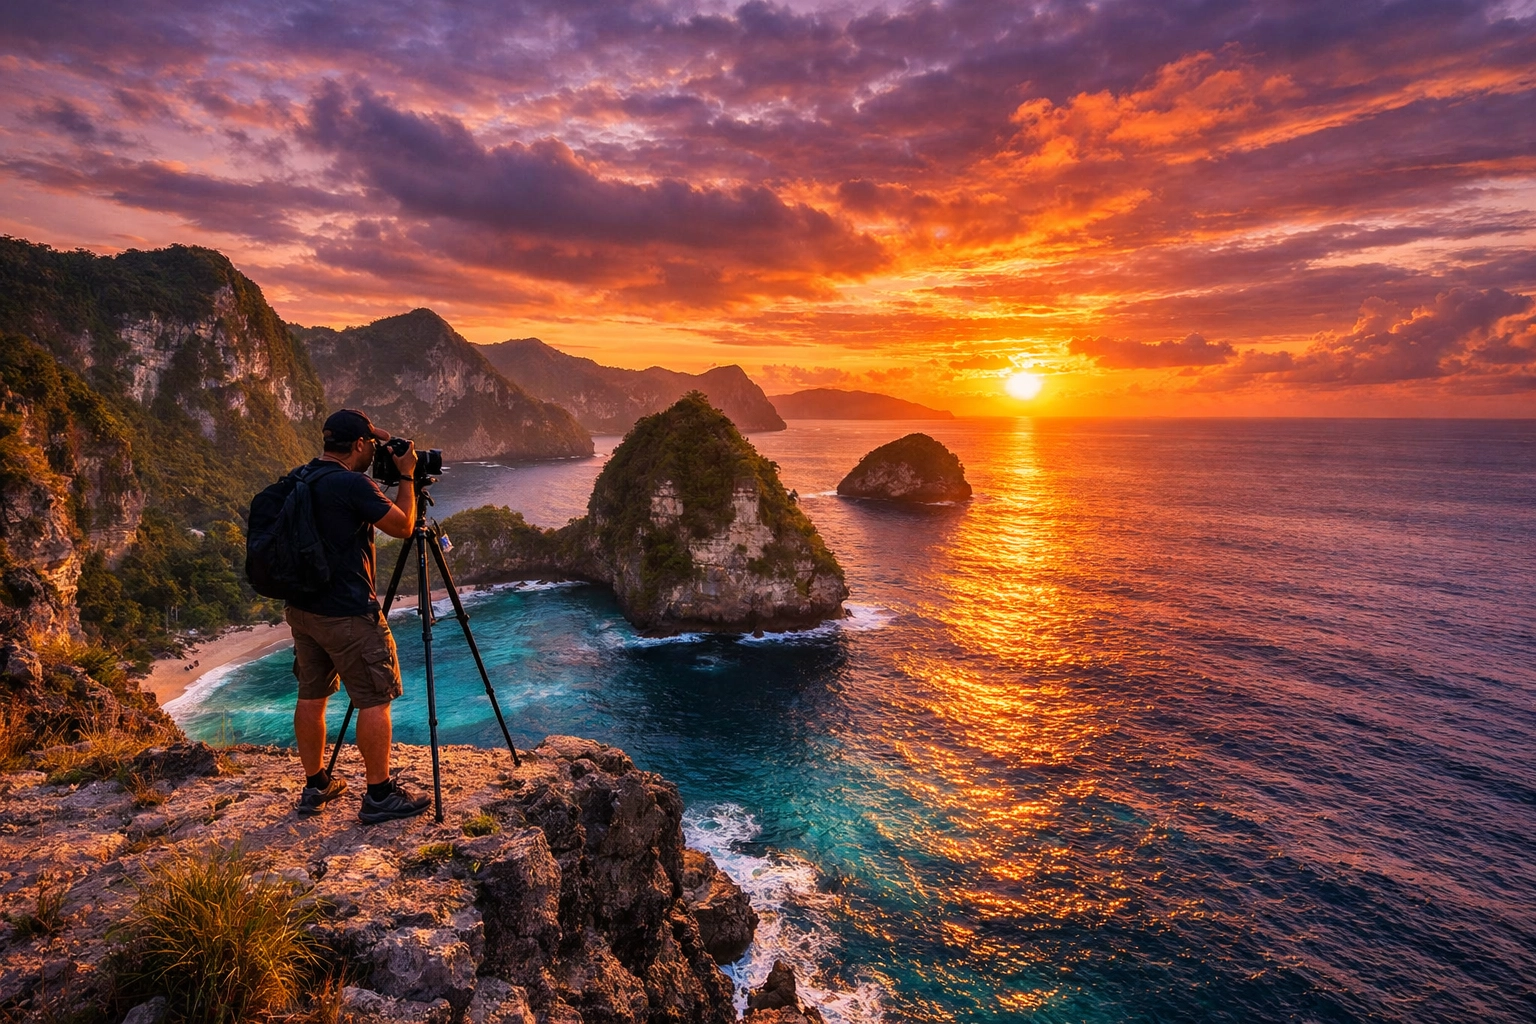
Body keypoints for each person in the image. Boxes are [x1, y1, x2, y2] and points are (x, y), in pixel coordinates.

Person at [287, 408, 431, 824]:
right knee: (374, 698)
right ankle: (380, 794)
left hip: (303, 610)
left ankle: (316, 785)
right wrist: (407, 475)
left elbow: (367, 440)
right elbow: (404, 526)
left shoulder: (304, 476)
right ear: (358, 446)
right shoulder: (353, 484)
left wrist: (380, 438)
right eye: (369, 444)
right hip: (348, 612)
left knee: (312, 696)